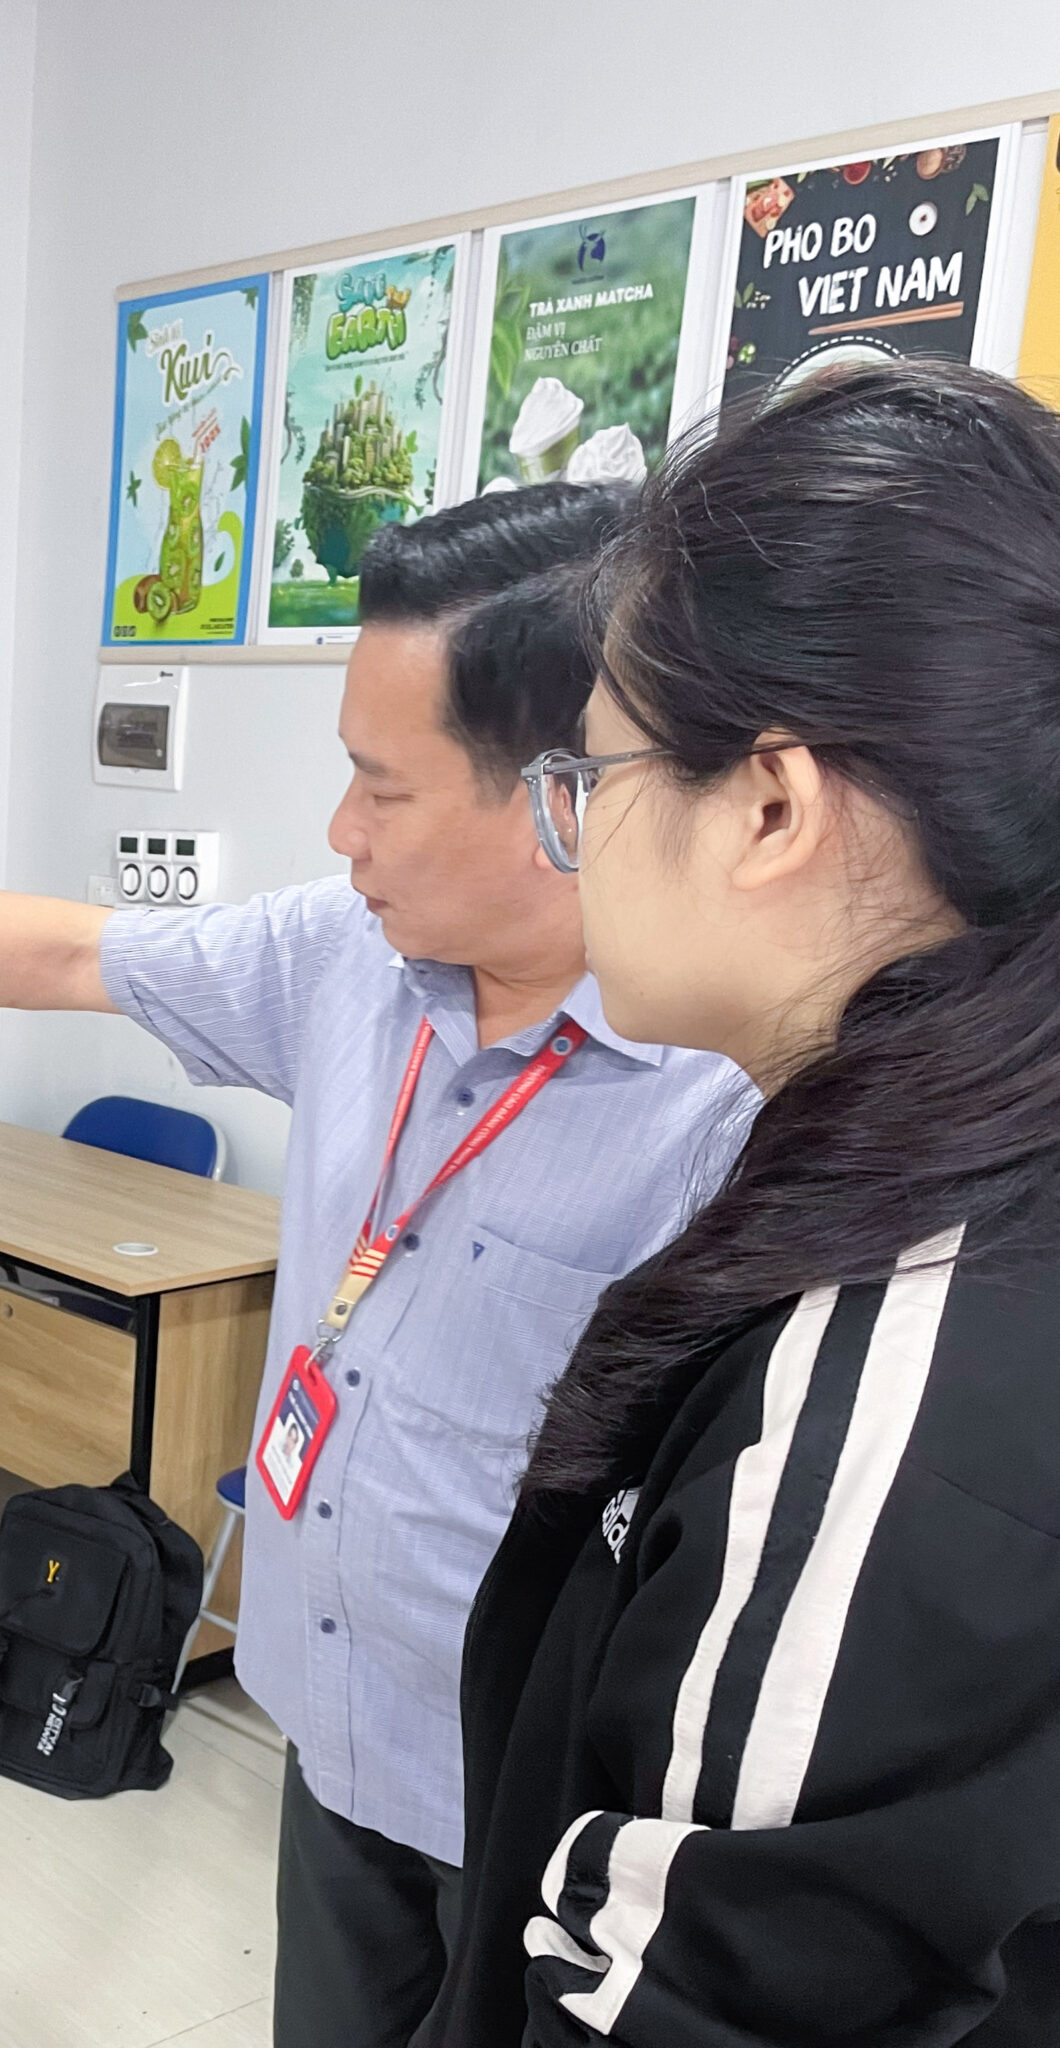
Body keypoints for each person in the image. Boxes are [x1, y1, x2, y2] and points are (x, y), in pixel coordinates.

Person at [0, 487, 750, 2047]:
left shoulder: (728, 1087)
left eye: (381, 787)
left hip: (538, 1804)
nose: (340, 832)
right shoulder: (351, 957)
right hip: (334, 1726)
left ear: (570, 796)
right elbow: (68, 952)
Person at [422, 360, 1060, 2048]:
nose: (570, 837)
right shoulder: (949, 1182)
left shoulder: (888, 1392)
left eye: (591, 777)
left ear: (770, 806)